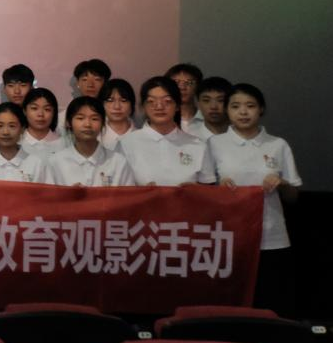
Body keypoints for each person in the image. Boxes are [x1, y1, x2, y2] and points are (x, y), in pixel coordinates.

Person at [210, 83, 302, 315]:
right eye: (235, 106)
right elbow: (203, 190)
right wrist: (218, 188)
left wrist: (282, 184)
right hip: (229, 236)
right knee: (229, 306)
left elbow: (293, 197)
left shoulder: (278, 145)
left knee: (270, 302)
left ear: (261, 109)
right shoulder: (214, 144)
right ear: (227, 110)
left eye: (250, 106)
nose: (243, 112)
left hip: (270, 236)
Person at [119, 76, 215, 186]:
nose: (159, 106)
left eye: (167, 101)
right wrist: (141, 192)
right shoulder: (126, 143)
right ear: (143, 107)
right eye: (151, 101)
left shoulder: (198, 145)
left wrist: (195, 190)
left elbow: (208, 189)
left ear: (177, 106)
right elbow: (118, 189)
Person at [48, 97, 136, 187]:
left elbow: (128, 195)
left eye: (94, 119)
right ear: (68, 123)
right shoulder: (56, 162)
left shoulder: (118, 162)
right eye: (80, 118)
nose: (87, 124)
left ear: (103, 124)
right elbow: (48, 195)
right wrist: (69, 194)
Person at [0, 103, 55, 184]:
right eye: (0, 126)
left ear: (22, 129)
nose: (5, 132)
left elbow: (48, 195)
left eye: (12, 126)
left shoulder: (37, 164)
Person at [21, 87, 65, 159]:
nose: (40, 114)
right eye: (34, 108)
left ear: (54, 113)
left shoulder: (64, 145)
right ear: (25, 111)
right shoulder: (16, 142)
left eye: (47, 109)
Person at [99, 78, 137, 151]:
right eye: (110, 100)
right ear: (102, 104)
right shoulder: (94, 138)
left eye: (123, 100)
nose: (117, 107)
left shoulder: (143, 138)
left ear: (131, 105)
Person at [190, 76, 232, 140]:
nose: (213, 107)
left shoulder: (242, 134)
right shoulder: (190, 137)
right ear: (197, 103)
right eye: (206, 100)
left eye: (221, 100)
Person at [166, 62, 204, 131]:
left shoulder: (208, 119)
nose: (182, 87)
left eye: (189, 82)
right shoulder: (162, 120)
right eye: (176, 82)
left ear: (198, 86)